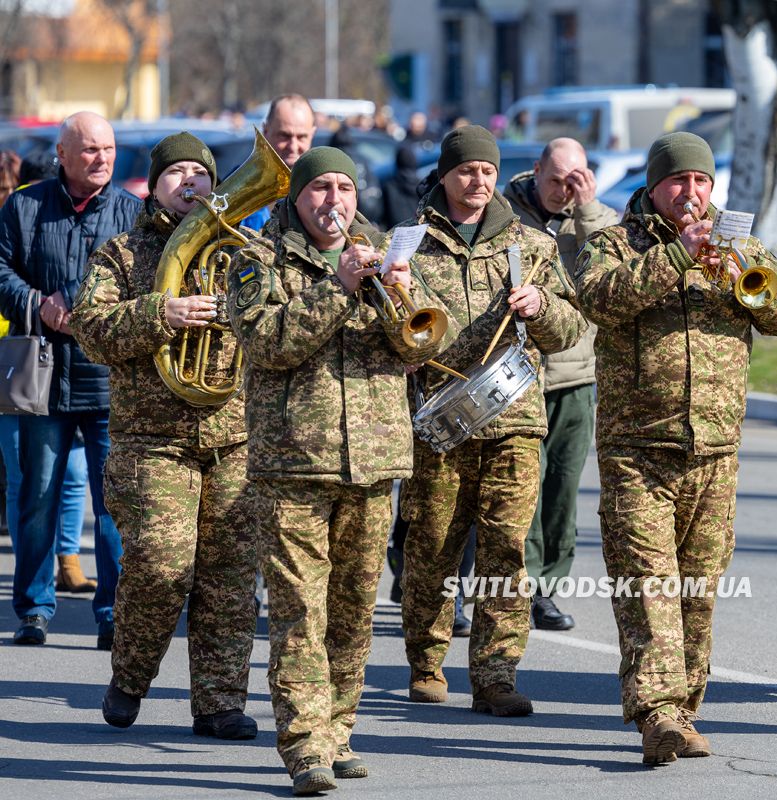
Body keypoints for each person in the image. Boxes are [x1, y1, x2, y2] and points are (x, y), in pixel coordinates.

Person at [227, 146, 456, 794]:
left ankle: (337, 731)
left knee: (354, 611)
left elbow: (435, 335)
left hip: (373, 461)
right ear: (297, 198)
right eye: (321, 189)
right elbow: (266, 342)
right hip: (294, 463)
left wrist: (402, 290)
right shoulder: (258, 259)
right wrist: (335, 291)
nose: (335, 201)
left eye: (345, 189)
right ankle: (304, 748)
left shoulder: (383, 250)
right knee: (302, 612)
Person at [575, 131, 777, 764]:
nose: (693, 192)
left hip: (715, 447)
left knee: (699, 591)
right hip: (636, 447)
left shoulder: (737, 244)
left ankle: (684, 707)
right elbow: (598, 299)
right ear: (654, 187)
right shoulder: (613, 244)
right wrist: (677, 256)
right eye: (680, 181)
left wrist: (743, 278)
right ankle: (659, 713)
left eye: (702, 181)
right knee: (648, 585)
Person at [72, 132, 260, 740]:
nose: (191, 183)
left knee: (229, 578)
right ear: (154, 185)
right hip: (152, 441)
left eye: (201, 174)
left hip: (234, 437)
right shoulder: (122, 255)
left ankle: (219, 702)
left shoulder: (248, 251)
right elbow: (91, 328)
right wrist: (161, 313)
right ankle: (130, 674)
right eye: (176, 173)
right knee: (159, 567)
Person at [397, 125, 586, 716]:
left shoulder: (530, 245)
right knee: (432, 546)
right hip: (440, 423)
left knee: (506, 549)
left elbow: (571, 328)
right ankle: (427, 663)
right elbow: (389, 337)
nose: (476, 181)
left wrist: (543, 307)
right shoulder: (408, 243)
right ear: (445, 175)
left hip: (513, 419)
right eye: (465, 171)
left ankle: (496, 674)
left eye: (486, 171)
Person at [0, 111, 140, 648]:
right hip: (41, 377)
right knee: (36, 495)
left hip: (109, 380)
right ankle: (33, 608)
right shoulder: (25, 206)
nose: (102, 158)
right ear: (62, 154)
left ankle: (112, 612)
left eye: (107, 148)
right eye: (89, 150)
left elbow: (145, 280)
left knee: (114, 502)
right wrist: (37, 303)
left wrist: (89, 307)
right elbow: (1, 270)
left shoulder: (133, 212)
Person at [503, 138, 619, 631]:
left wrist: (586, 206)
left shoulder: (596, 219)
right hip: (518, 377)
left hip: (575, 376)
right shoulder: (505, 214)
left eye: (574, 180)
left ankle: (548, 590)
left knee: (562, 492)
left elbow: (613, 269)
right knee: (523, 491)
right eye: (554, 180)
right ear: (535, 172)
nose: (562, 190)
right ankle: (518, 587)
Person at [242, 94, 316, 232]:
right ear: (265, 130)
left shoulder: (324, 188)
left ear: (312, 134)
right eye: (284, 135)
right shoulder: (240, 182)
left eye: (302, 137)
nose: (293, 146)